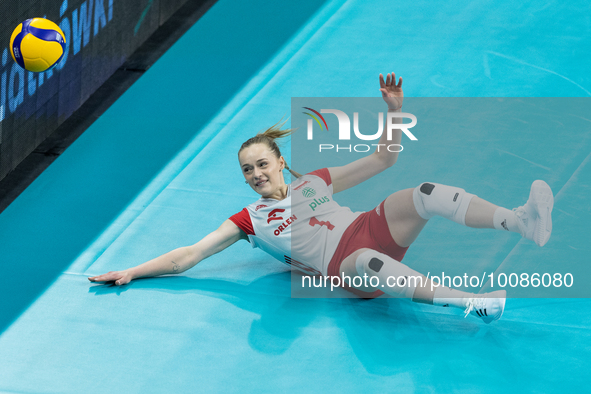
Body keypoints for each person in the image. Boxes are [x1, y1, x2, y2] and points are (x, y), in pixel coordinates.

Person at [89, 72, 554, 324]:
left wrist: (395, 113)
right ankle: (471, 303)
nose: (255, 175)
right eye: (246, 170)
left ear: (279, 161)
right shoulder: (250, 219)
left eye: (261, 165)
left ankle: (521, 221)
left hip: (367, 226)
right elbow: (188, 255)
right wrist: (133, 270)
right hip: (344, 267)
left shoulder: (314, 182)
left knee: (423, 192)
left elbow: (382, 160)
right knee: (371, 262)